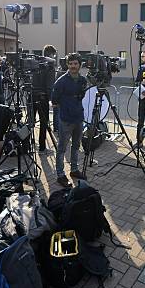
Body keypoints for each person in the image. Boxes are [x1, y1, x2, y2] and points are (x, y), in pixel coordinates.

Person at [52, 52, 87, 187]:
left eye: (75, 64)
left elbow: (82, 95)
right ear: (67, 65)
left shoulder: (83, 80)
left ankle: (74, 170)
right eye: (70, 64)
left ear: (80, 65)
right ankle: (60, 175)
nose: (73, 66)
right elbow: (54, 99)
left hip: (79, 117)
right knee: (62, 148)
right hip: (65, 119)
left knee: (76, 146)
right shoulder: (61, 81)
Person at [44, 44, 60, 133]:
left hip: (40, 91)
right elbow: (50, 81)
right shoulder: (50, 65)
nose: (54, 57)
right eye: (53, 54)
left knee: (44, 111)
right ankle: (56, 127)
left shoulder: (40, 62)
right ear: (50, 54)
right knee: (56, 108)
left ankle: (47, 125)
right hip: (49, 90)